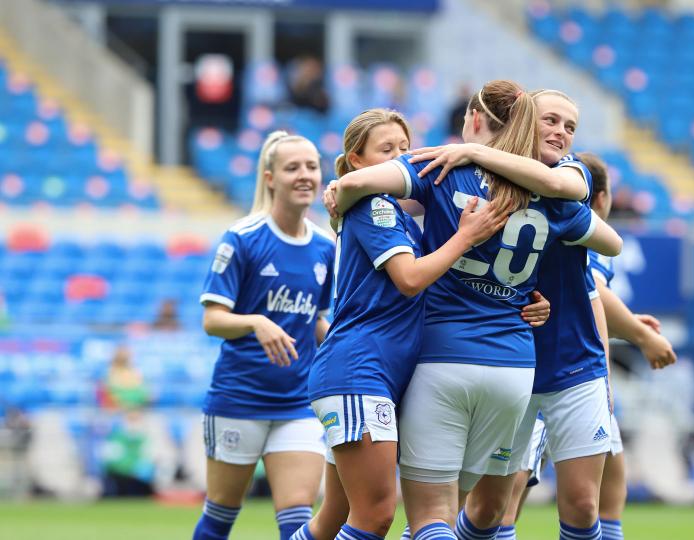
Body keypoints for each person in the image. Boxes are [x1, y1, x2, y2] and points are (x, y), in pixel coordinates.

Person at [322, 79, 624, 540]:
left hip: (443, 357)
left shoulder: (445, 168)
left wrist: (340, 191)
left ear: (475, 120)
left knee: (427, 517)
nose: (562, 132)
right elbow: (612, 242)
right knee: (478, 514)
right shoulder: (558, 191)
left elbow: (362, 183)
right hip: (515, 368)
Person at [293, 109, 552, 540]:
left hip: (382, 375)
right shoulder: (373, 206)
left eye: (404, 147)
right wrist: (466, 236)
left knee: (333, 519)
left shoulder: (398, 215)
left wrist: (526, 302)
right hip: (361, 370)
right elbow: (411, 280)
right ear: (356, 160)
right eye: (386, 149)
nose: (402, 156)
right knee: (375, 517)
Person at [492, 152, 676, 540]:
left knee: (595, 493)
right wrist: (641, 335)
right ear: (602, 199)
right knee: (506, 503)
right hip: (552, 375)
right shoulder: (575, 230)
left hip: (556, 372)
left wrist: (625, 325)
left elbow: (590, 296)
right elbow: (597, 292)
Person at [192, 130, 336, 540]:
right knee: (220, 516)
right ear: (270, 177)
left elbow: (316, 320)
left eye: (311, 166)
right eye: (293, 168)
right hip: (239, 398)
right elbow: (213, 320)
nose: (305, 175)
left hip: (298, 403)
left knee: (297, 520)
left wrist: (347, 347)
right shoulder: (242, 238)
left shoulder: (326, 245)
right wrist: (256, 321)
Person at [99, 344, 150, 411]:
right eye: (121, 354)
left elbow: (144, 395)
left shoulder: (134, 372)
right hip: (116, 410)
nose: (124, 356)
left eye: (126, 354)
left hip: (137, 409)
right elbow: (105, 396)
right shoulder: (109, 373)